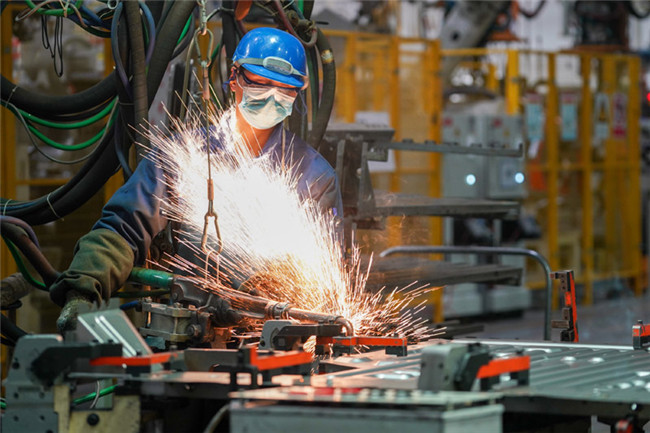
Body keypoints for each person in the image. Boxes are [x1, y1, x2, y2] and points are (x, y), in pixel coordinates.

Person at [49, 27, 342, 332]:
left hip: (275, 338)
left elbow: (324, 274)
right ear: (235, 77)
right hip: (187, 331)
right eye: (261, 83)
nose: (271, 96)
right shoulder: (183, 156)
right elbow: (124, 227)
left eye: (285, 89)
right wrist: (84, 286)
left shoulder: (314, 175)